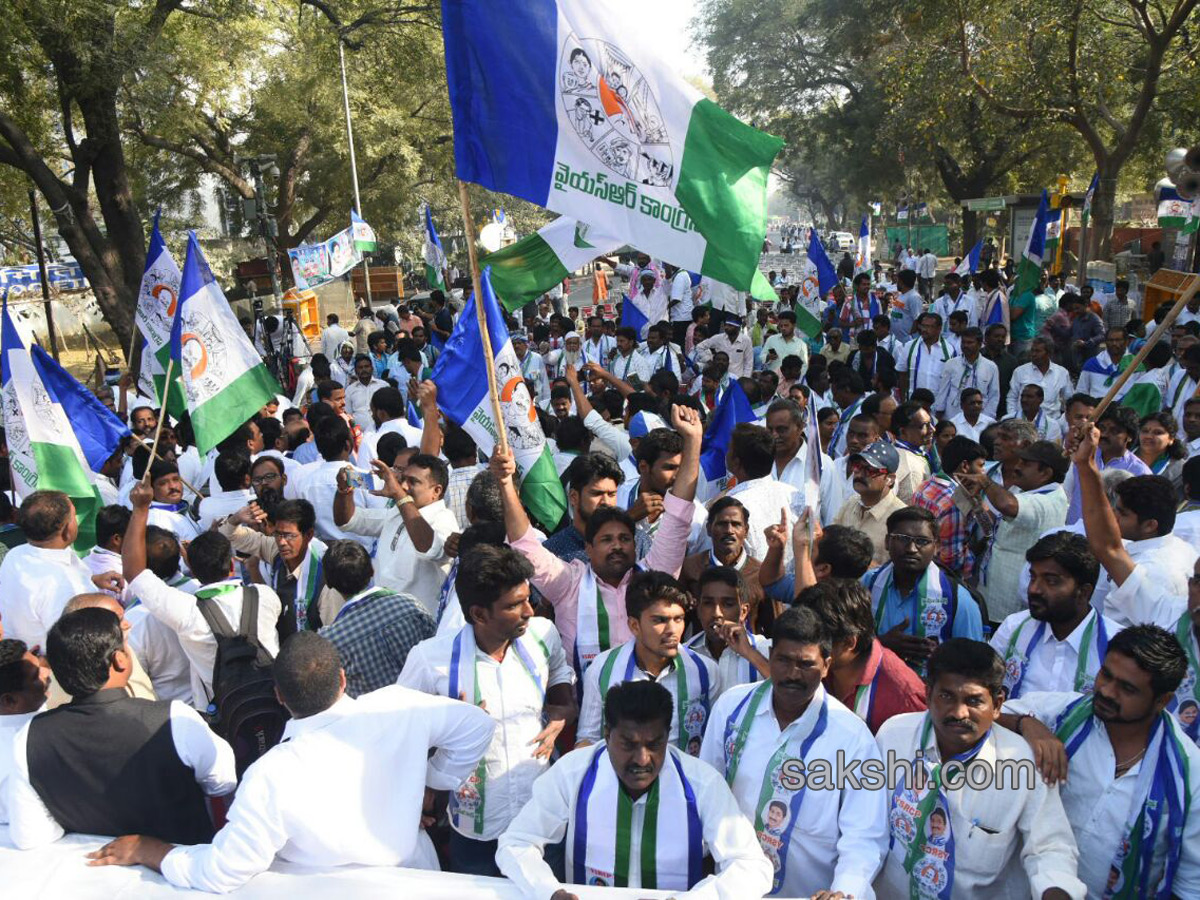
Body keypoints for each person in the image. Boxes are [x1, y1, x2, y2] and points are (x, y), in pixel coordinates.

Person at [86, 632, 496, 891]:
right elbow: (477, 726)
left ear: (279, 697)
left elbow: (224, 870)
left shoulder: (271, 774)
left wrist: (150, 850)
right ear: (342, 679)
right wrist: (431, 782)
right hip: (417, 879)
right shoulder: (399, 706)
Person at [497, 679, 772, 898]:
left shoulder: (702, 783)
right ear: (607, 735)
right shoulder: (572, 772)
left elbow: (753, 867)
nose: (642, 759)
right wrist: (549, 892)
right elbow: (516, 843)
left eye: (654, 744)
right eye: (628, 744)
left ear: (667, 736)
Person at [398, 544, 575, 875]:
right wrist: (417, 791)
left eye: (528, 598)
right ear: (479, 614)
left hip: (539, 817)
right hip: (475, 828)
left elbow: (559, 671)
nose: (529, 611)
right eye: (514, 605)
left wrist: (563, 710)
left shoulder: (543, 635)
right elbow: (402, 733)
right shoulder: (429, 659)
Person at [497, 404, 700, 681]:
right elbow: (525, 545)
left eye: (624, 539)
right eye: (606, 539)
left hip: (650, 702)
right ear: (588, 549)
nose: (617, 546)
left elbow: (678, 517)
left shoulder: (653, 577)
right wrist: (505, 483)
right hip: (583, 702)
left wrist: (693, 440)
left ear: (635, 543)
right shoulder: (568, 582)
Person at [7, 607, 237, 849]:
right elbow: (223, 781)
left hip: (91, 866)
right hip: (177, 863)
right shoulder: (174, 719)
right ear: (120, 660)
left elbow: (30, 836)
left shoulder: (29, 737)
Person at [874, 639, 1086, 899]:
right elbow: (866, 822)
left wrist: (1056, 890)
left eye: (974, 701)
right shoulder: (893, 735)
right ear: (928, 695)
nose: (959, 713)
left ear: (997, 705)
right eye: (946, 696)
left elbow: (1049, 848)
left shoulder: (1023, 765)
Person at [1002, 625, 1200, 899]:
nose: (1107, 691)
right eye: (1106, 674)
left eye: (1127, 688)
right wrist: (1026, 723)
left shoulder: (1188, 773)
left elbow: (1189, 886)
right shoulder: (1063, 714)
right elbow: (984, 716)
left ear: (1162, 701)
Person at [700, 606, 887, 897]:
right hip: (733, 889)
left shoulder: (853, 739)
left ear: (826, 666)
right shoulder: (731, 707)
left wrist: (843, 891)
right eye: (783, 661)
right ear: (770, 655)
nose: (792, 674)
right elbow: (706, 793)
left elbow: (863, 836)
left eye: (805, 664)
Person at [122, 480, 283, 709]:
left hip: (220, 714)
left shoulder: (187, 612)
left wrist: (140, 509)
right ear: (231, 566)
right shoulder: (266, 596)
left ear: (192, 569)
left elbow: (134, 573)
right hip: (273, 702)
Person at [576, 572, 716, 749]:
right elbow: (587, 740)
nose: (672, 630)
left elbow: (717, 742)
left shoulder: (705, 670)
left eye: (678, 619)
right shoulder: (602, 669)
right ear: (634, 625)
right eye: (660, 620)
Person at [991, 532, 1122, 699]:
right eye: (1033, 577)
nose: (1034, 589)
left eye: (1051, 581)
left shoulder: (1114, 645)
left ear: (1083, 592)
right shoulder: (1014, 628)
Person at [864, 506, 984, 676]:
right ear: (887, 541)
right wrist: (881, 644)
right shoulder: (868, 583)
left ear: (936, 546)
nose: (911, 549)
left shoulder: (958, 600)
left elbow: (973, 665)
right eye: (902, 539)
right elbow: (845, 643)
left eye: (922, 541)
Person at [333, 452, 458, 614]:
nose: (403, 486)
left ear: (436, 491)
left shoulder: (444, 519)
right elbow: (348, 521)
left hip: (418, 621)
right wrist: (345, 489)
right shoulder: (397, 512)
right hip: (383, 613)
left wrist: (399, 496)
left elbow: (430, 550)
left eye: (413, 481)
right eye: (403, 479)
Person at [802, 579, 926, 733]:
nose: (803, 650)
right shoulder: (815, 665)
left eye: (813, 641)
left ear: (848, 643)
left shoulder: (904, 697)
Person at [966, 440, 1070, 623]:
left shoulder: (1048, 501)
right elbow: (997, 529)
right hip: (995, 596)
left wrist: (984, 481)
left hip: (1009, 607)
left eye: (1026, 463)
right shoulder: (1029, 493)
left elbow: (1007, 505)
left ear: (1045, 473)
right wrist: (976, 504)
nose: (1017, 467)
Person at [0, 490, 113, 650]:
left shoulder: (15, 554)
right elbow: (72, 645)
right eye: (73, 516)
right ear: (66, 530)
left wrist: (93, 580)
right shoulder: (64, 588)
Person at [684, 566, 770, 700]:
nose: (716, 613)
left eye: (727, 604)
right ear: (698, 610)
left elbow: (788, 691)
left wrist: (749, 653)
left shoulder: (764, 649)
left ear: (743, 612)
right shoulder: (685, 655)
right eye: (708, 603)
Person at [725, 423, 807, 560]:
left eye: (729, 449)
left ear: (736, 462)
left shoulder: (730, 508)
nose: (726, 453)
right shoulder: (793, 494)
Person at [911, 436, 989, 578]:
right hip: (943, 576)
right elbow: (952, 559)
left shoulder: (925, 486)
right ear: (965, 466)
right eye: (981, 465)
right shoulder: (955, 503)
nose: (984, 472)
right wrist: (975, 552)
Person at [1063, 405, 1151, 524]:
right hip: (1072, 527)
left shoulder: (1140, 472)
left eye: (1114, 431)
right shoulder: (1085, 452)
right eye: (1102, 428)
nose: (1104, 435)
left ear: (1129, 437)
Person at [833, 440, 909, 566]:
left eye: (870, 470)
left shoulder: (901, 519)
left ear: (889, 479)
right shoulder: (851, 503)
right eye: (857, 466)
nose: (859, 474)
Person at [0, 638, 50, 825]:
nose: (46, 672)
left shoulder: (29, 711)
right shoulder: (22, 751)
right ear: (9, 701)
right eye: (36, 675)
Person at [1008, 336, 1072, 420]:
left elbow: (1069, 400)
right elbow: (1012, 398)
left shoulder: (1061, 373)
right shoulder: (1020, 371)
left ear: (1049, 353)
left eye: (1038, 351)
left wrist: (1063, 421)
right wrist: (1014, 418)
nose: (1033, 354)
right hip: (1023, 422)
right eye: (1032, 350)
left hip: (1052, 422)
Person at [889, 400, 934, 502]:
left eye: (930, 423)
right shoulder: (911, 466)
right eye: (924, 425)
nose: (932, 429)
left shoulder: (896, 450)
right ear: (903, 431)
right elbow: (911, 505)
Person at [1135, 410, 1186, 493]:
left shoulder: (1179, 469)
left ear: (1171, 439)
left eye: (1158, 432)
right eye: (1145, 431)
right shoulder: (1122, 456)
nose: (1148, 436)